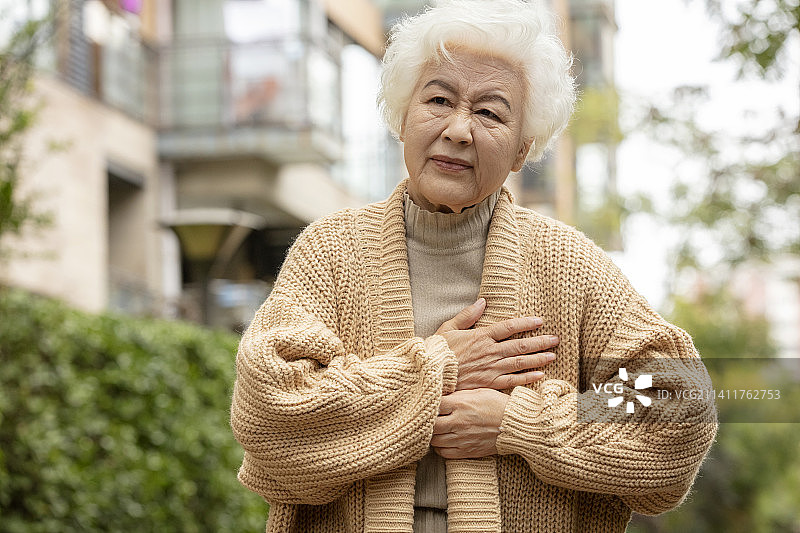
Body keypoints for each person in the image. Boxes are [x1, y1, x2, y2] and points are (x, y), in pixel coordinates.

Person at [230, 1, 717, 531]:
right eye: (439, 99)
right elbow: (269, 415)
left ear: (522, 150)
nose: (459, 130)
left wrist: (520, 423)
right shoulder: (331, 251)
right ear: (401, 116)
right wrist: (437, 368)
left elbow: (678, 411)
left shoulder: (570, 265)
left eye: (490, 112)